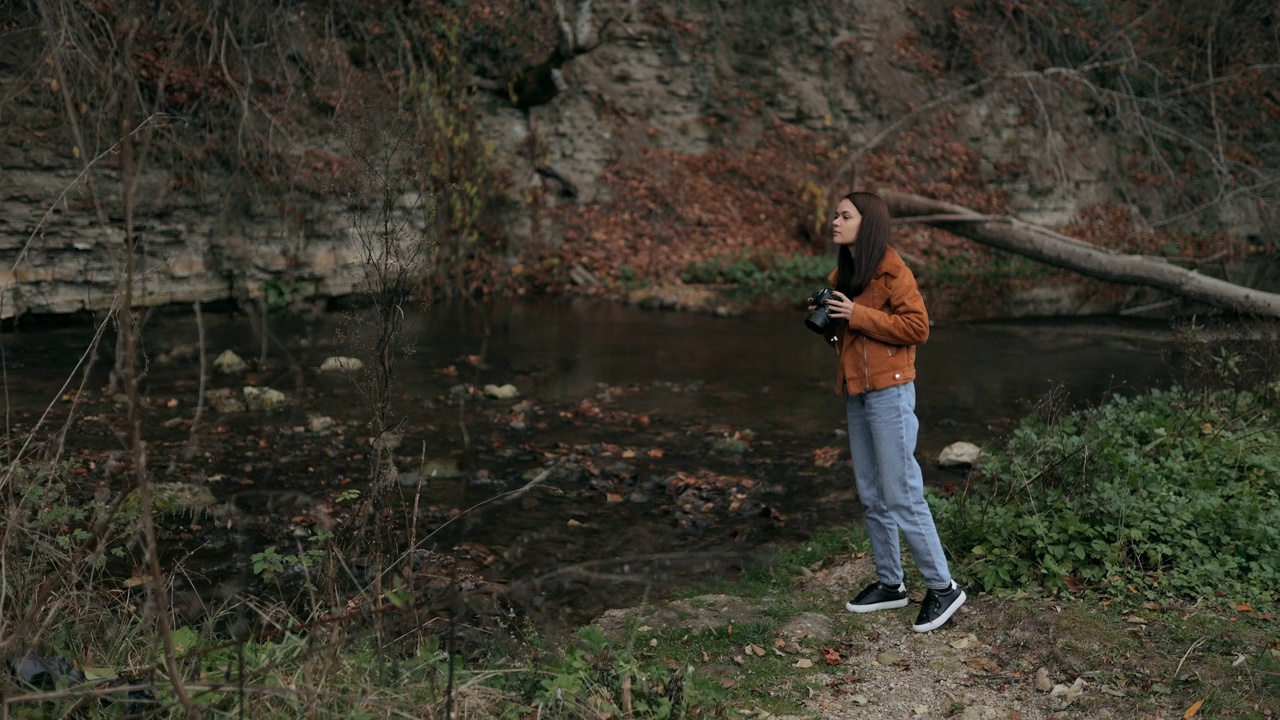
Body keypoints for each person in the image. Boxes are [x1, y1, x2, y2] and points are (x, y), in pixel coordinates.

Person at [813, 190, 966, 633]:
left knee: (901, 492)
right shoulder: (843, 274)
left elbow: (917, 328)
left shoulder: (892, 269)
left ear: (868, 222)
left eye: (844, 215)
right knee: (871, 492)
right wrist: (830, 322)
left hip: (891, 393)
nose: (835, 222)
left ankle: (943, 588)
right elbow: (850, 343)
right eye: (836, 215)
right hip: (857, 392)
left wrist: (857, 314)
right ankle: (890, 583)